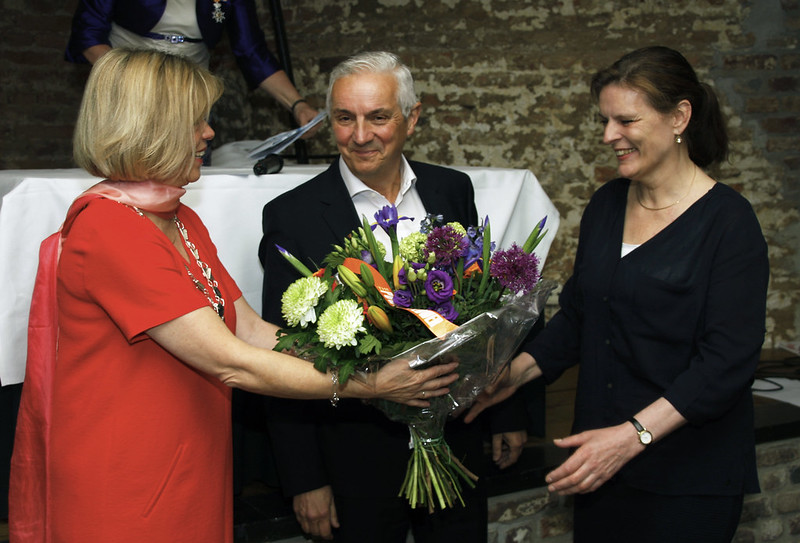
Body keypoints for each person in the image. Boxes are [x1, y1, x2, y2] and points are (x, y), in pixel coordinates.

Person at [8, 48, 459, 543]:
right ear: (149, 127)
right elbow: (232, 362)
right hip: (127, 476)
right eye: (196, 121)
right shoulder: (112, 229)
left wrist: (371, 361)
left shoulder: (178, 217)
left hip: (186, 461)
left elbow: (250, 328)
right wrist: (369, 385)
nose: (209, 134)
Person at [466, 46, 769, 542]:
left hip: (687, 476)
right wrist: (513, 374)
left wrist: (633, 436)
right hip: (600, 464)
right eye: (605, 120)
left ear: (680, 116)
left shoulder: (730, 223)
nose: (609, 136)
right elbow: (583, 315)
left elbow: (726, 364)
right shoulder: (607, 204)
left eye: (625, 120)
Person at [258, 51, 530, 543]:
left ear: (413, 116)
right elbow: (283, 350)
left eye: (378, 117)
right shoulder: (292, 215)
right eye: (344, 118)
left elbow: (489, 312)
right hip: (355, 458)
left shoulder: (452, 190)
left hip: (457, 440)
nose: (360, 136)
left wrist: (506, 412)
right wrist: (305, 478)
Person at [65, 0, 318, 130]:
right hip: (125, 81)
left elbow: (251, 51)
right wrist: (134, 82)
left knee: (189, 156)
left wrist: (297, 105)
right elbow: (88, 35)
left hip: (189, 86)